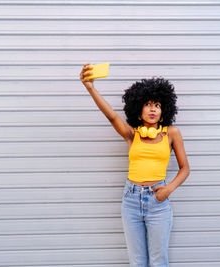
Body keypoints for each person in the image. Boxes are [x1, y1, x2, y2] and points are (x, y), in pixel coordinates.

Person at [80, 63, 190, 267]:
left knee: (158, 261)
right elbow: (111, 116)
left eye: (157, 105)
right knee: (137, 262)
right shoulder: (133, 135)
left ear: (163, 111)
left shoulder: (172, 133)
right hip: (130, 201)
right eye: (148, 104)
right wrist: (90, 88)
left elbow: (185, 169)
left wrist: (168, 189)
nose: (153, 108)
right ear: (139, 112)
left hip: (158, 202)